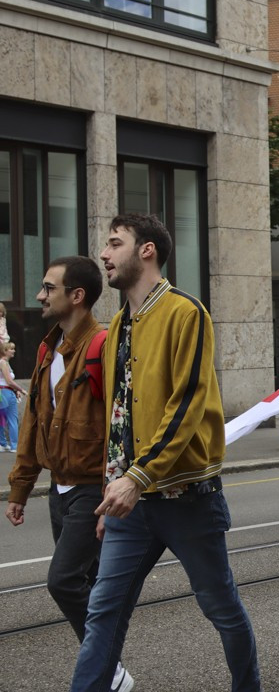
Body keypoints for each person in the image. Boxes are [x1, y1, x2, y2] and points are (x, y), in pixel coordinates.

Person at [74, 214, 260, 691]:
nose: (104, 254)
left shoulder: (186, 312)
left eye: (115, 243)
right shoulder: (118, 325)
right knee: (103, 612)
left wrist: (134, 478)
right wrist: (111, 489)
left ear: (147, 250)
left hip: (186, 496)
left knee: (221, 607)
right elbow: (118, 417)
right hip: (131, 505)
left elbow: (187, 403)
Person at [5, 258, 134, 690]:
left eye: (48, 287)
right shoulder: (47, 350)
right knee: (92, 586)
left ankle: (106, 668)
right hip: (58, 490)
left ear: (76, 296)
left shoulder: (102, 346)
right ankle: (107, 667)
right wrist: (21, 487)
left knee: (63, 581)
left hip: (90, 490)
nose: (40, 295)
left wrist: (112, 495)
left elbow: (123, 428)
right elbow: (32, 423)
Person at [0, 342, 27, 451]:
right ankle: (14, 445)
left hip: (2, 392)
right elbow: (9, 381)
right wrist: (21, 390)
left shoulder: (3, 362)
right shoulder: (4, 363)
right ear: (5, 351)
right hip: (6, 392)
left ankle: (2, 443)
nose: (14, 351)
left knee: (2, 419)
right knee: (12, 419)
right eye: (11, 349)